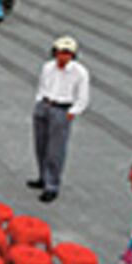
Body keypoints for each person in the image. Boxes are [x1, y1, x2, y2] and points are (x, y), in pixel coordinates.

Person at [29, 36, 89, 203]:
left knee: (55, 151)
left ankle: (52, 185)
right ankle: (42, 176)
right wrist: (39, 101)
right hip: (45, 105)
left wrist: (72, 112)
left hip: (62, 109)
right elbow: (42, 85)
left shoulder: (80, 73)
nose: (63, 56)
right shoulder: (48, 67)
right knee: (40, 145)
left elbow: (83, 97)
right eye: (60, 52)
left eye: (67, 53)